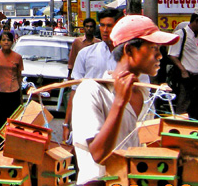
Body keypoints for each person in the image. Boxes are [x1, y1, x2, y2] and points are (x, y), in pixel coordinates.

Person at [71, 15, 178, 185]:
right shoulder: (91, 91)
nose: (159, 56)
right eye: (153, 48)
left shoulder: (145, 93)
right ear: (129, 50)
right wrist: (119, 102)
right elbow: (98, 154)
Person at [63, 9, 123, 141]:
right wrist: (67, 123)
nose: (105, 30)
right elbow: (75, 89)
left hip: (120, 119)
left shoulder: (129, 57)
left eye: (109, 25)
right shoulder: (86, 54)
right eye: (102, 25)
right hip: (89, 117)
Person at [167, 6, 198, 120]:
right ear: (197, 20)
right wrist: (183, 71)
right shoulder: (181, 34)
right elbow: (172, 55)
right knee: (183, 109)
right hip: (187, 78)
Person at [0, 31, 23, 135]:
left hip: (14, 92)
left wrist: (21, 97)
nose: (6, 42)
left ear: (13, 42)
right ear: (0, 42)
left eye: (9, 40)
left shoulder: (17, 57)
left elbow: (19, 76)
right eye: (4, 40)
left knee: (13, 121)